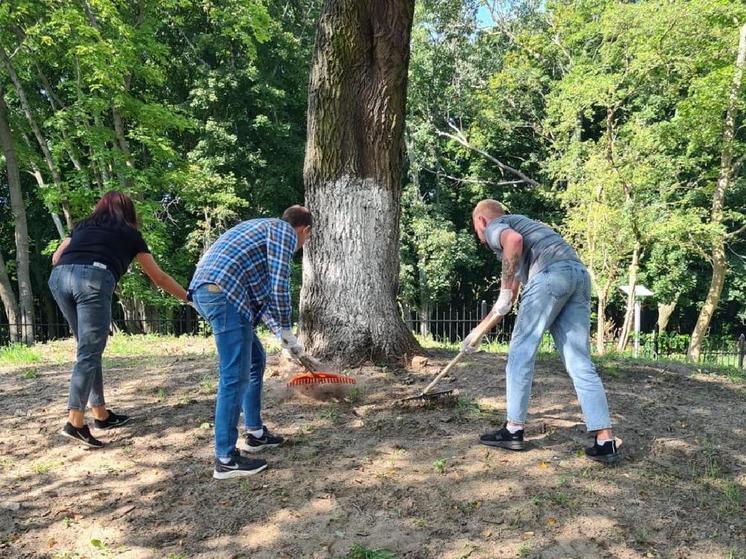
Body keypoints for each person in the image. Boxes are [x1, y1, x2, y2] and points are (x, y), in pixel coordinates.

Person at [463, 199, 619, 464]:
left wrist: (502, 290)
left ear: (481, 221)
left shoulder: (495, 226)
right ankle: (605, 440)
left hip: (550, 276)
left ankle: (513, 430)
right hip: (578, 276)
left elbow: (511, 242)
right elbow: (507, 301)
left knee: (521, 353)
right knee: (580, 361)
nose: (482, 239)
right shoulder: (530, 226)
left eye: (478, 232)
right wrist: (478, 332)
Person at [49, 191, 188, 449]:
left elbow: (56, 258)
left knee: (88, 349)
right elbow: (158, 278)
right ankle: (75, 423)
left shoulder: (82, 226)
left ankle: (100, 414)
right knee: (89, 352)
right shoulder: (130, 234)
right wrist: (189, 297)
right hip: (93, 279)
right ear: (129, 213)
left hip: (59, 279)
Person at [188, 205, 318, 480]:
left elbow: (265, 300)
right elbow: (279, 285)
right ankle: (225, 459)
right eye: (306, 239)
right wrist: (286, 328)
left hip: (214, 291)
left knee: (255, 361)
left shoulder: (263, 230)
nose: (301, 245)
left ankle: (255, 434)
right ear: (303, 230)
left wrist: (285, 338)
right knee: (233, 376)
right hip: (223, 293)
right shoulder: (283, 232)